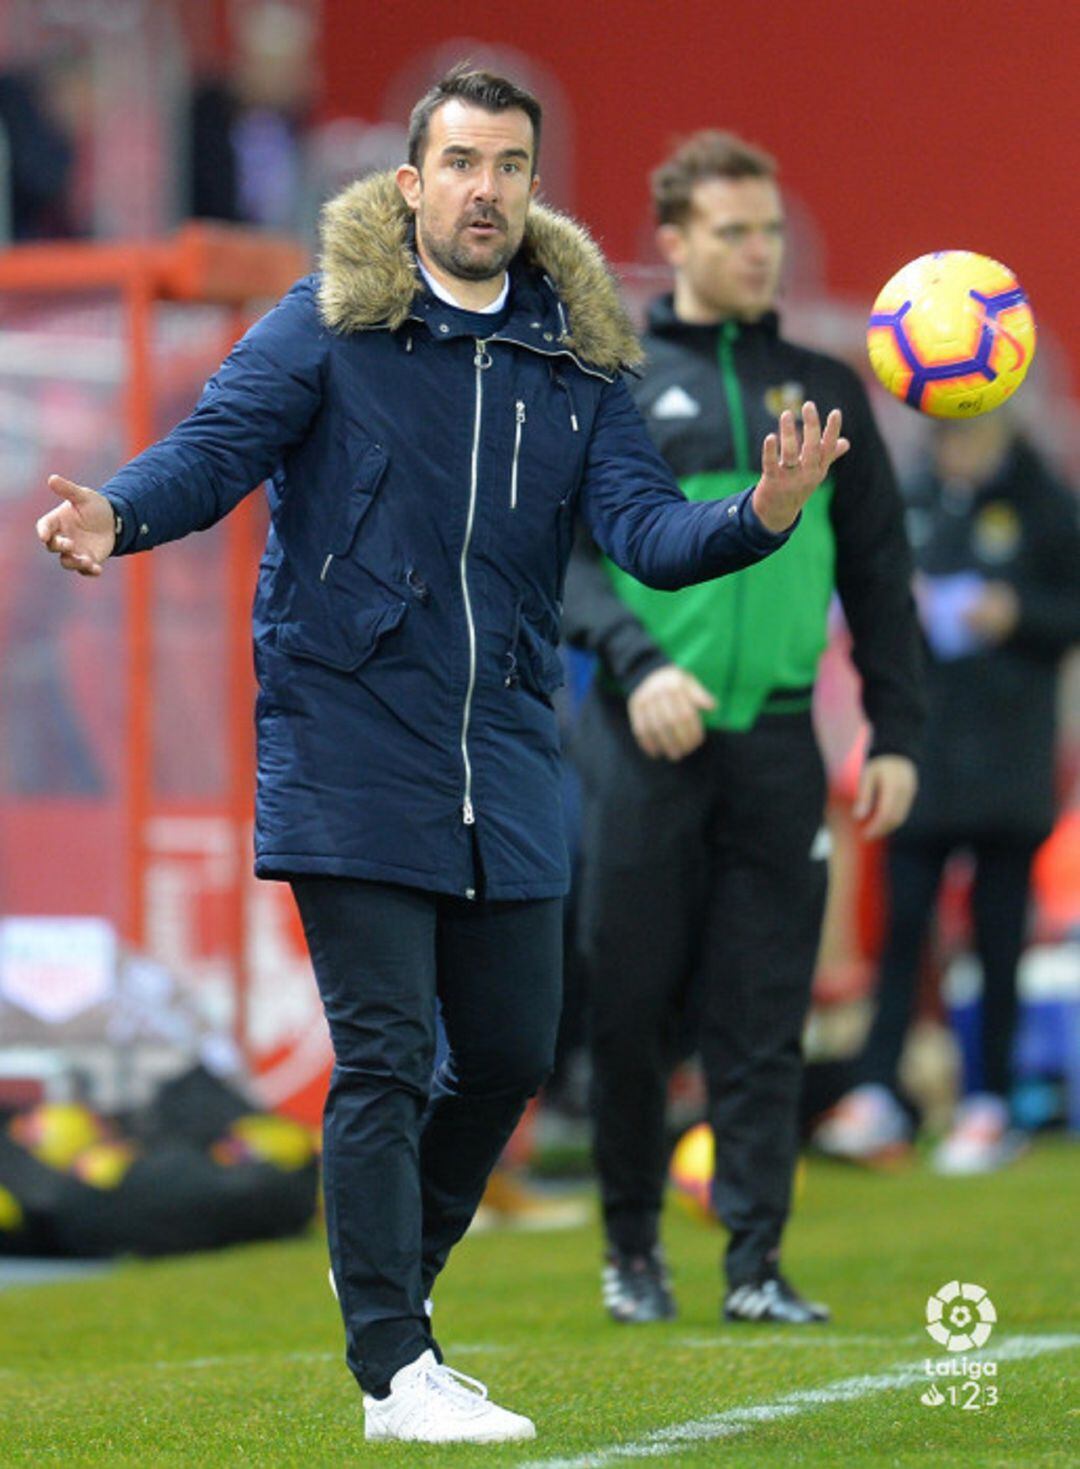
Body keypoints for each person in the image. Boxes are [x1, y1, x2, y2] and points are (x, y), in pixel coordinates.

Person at [35, 72, 849, 1443]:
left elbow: (644, 534)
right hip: (347, 737)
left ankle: (396, 1308)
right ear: (411, 184)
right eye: (461, 161)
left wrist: (757, 515)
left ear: (533, 188)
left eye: (511, 164)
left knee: (514, 1053)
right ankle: (394, 1371)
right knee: (388, 1056)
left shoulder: (580, 358)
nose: (487, 187)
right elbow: (216, 451)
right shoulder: (327, 323)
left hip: (508, 748)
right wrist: (118, 511)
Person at [563, 130, 924, 1328]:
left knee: (765, 1016)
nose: (758, 251)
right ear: (673, 243)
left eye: (769, 230)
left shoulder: (830, 391)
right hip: (644, 737)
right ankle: (629, 1250)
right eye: (732, 231)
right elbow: (570, 562)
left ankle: (757, 1265)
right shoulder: (611, 381)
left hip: (779, 744)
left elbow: (878, 575)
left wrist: (894, 730)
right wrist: (635, 663)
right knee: (628, 1012)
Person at [813, 412, 1080, 1173]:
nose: (954, 447)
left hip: (1010, 755)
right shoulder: (911, 495)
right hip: (922, 751)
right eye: (944, 432)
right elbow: (867, 600)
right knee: (901, 931)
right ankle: (878, 1093)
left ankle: (990, 1100)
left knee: (999, 936)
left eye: (967, 430)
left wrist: (1016, 612)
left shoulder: (1045, 500)